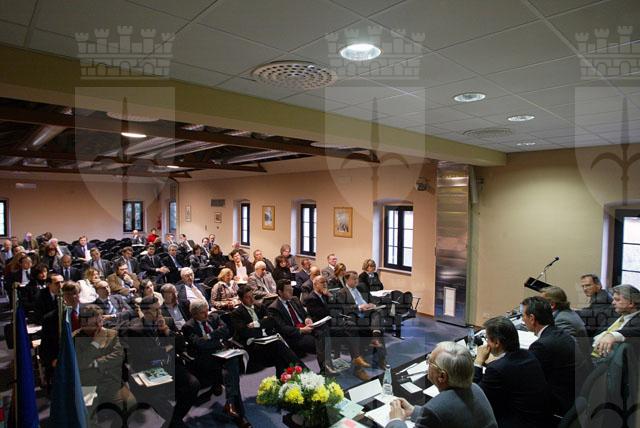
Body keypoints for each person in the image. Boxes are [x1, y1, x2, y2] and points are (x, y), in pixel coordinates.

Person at [387, 341, 497, 428]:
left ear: (442, 376)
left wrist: (396, 420)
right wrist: (413, 411)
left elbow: (439, 412)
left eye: (430, 361)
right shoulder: (476, 389)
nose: (427, 364)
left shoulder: (434, 409)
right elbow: (451, 417)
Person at [182, 300, 252, 428]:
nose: (206, 315)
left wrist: (209, 336)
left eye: (206, 311)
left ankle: (231, 405)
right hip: (207, 358)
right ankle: (236, 411)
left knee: (232, 367)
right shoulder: (188, 327)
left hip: (223, 353)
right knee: (232, 374)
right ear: (194, 314)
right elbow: (200, 345)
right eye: (202, 313)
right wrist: (218, 340)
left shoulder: (214, 316)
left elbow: (226, 331)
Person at [473, 316, 552, 428]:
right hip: (542, 421)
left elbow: (476, 396)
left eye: (487, 339)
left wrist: (478, 361)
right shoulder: (528, 356)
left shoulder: (497, 369)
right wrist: (498, 361)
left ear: (496, 342)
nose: (486, 344)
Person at [521, 296, 582, 415]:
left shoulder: (541, 345)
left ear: (532, 318)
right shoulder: (561, 333)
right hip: (572, 395)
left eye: (523, 316)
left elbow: (528, 379)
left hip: (556, 403)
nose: (523, 320)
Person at [304, 275, 371, 379]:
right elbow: (323, 313)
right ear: (315, 284)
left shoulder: (325, 295)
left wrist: (330, 295)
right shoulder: (311, 298)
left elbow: (339, 307)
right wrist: (330, 298)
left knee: (351, 326)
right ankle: (327, 368)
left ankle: (357, 358)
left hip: (332, 324)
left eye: (325, 282)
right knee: (325, 334)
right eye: (322, 282)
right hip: (321, 326)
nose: (325, 284)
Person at [231, 285, 304, 375]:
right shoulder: (236, 313)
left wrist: (256, 324)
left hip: (267, 339)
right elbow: (245, 332)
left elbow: (272, 321)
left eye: (252, 296)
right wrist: (263, 326)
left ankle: (287, 375)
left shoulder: (260, 306)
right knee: (279, 347)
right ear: (241, 299)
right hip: (252, 344)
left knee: (279, 350)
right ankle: (301, 371)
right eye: (247, 297)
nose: (251, 299)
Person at [268, 280, 332, 377]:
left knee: (324, 331)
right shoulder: (274, 308)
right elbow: (283, 328)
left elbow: (306, 314)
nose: (291, 291)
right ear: (280, 292)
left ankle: (327, 366)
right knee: (318, 341)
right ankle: (325, 369)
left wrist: (307, 319)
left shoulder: (294, 299)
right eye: (288, 290)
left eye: (291, 288)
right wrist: (301, 330)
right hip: (294, 334)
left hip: (306, 327)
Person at [74, 304, 134, 409]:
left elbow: (119, 356)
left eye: (100, 321)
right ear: (83, 324)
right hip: (88, 385)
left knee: (130, 404)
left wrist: (95, 363)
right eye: (95, 323)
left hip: (110, 382)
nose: (100, 326)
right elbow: (80, 363)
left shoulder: (111, 333)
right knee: (88, 414)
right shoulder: (74, 338)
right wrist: (95, 343)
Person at [335, 271, 386, 361]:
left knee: (377, 312)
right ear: (346, 279)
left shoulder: (361, 287)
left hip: (368, 312)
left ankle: (376, 338)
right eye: (354, 279)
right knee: (377, 321)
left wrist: (372, 304)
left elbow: (371, 298)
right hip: (356, 315)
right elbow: (344, 308)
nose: (356, 281)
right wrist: (359, 307)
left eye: (357, 278)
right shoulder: (342, 292)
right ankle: (376, 339)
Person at [592, 284, 640, 358]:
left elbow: (635, 330)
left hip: (605, 360)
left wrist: (613, 335)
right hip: (590, 353)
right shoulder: (614, 312)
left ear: (631, 303)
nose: (613, 303)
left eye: (617, 300)